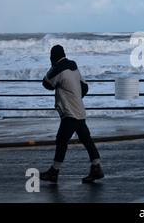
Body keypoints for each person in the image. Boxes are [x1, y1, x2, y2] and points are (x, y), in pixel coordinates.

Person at [39, 45, 104, 184]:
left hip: (70, 112)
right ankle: (96, 167)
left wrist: (52, 67)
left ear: (53, 57)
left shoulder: (58, 69)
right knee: (87, 140)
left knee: (61, 140)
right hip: (79, 109)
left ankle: (54, 171)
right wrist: (75, 97)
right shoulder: (74, 68)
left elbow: (46, 83)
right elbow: (85, 87)